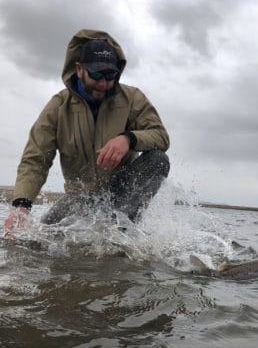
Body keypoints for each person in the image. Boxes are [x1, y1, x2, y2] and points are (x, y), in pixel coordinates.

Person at [4, 29, 170, 238]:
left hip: (120, 193)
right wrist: (22, 205)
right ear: (79, 69)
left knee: (158, 160)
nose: (103, 83)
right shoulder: (57, 107)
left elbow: (161, 136)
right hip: (79, 199)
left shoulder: (133, 98)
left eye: (110, 75)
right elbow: (36, 160)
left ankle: (120, 233)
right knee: (37, 240)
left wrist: (129, 139)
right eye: (96, 75)